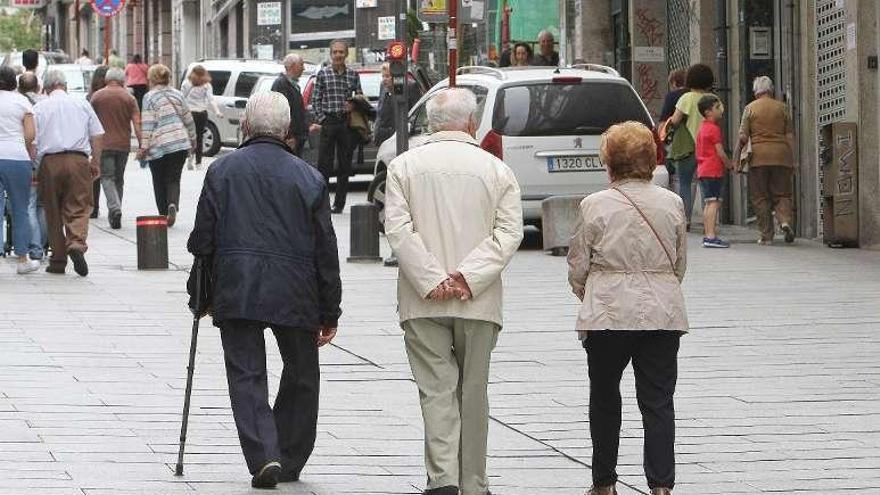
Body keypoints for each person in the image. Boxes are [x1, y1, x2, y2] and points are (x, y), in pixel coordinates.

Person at [187, 91, 341, 489]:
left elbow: (202, 238)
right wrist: (330, 310)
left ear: (247, 126)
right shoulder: (309, 177)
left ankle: (264, 455)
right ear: (288, 130)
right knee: (302, 372)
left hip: (238, 285)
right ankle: (287, 456)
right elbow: (325, 247)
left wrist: (200, 292)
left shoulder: (222, 171)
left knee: (246, 372)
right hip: (296, 289)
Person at [384, 88, 524, 495]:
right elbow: (509, 232)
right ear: (471, 123)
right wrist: (467, 276)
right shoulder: (496, 170)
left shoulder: (404, 167)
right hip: (478, 300)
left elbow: (398, 229)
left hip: (421, 300)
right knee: (474, 392)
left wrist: (432, 278)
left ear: (430, 124)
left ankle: (442, 478)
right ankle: (474, 483)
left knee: (436, 391)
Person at [567, 121, 688, 495]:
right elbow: (679, 264)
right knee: (658, 400)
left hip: (607, 312)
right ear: (650, 160)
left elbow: (578, 264)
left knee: (604, 396)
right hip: (662, 311)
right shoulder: (672, 203)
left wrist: (589, 290)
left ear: (610, 163)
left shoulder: (594, 205)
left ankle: (604, 483)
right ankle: (661, 485)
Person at [34, 69, 105, 276]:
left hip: (50, 161)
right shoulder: (82, 104)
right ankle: (76, 243)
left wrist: (37, 166)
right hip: (78, 159)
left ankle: (57, 260)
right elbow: (98, 135)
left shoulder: (40, 107)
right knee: (80, 205)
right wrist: (96, 162)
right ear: (64, 85)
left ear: (46, 88)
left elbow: (34, 140)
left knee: (52, 211)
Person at [735, 76, 796, 245]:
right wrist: (793, 158)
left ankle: (766, 236)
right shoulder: (783, 108)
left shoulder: (750, 108)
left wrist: (738, 156)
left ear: (756, 92)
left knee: (760, 197)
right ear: (771, 90)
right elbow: (789, 135)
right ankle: (784, 221)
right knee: (782, 193)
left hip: (758, 158)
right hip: (781, 155)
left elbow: (742, 136)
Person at [137, 64, 195, 227]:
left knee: (158, 179)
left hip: (159, 144)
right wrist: (193, 138)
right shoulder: (178, 94)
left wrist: (144, 147)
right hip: (179, 142)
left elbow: (148, 124)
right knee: (174, 178)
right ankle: (173, 204)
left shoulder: (149, 97)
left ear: (152, 78)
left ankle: (163, 213)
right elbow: (188, 119)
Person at [311, 39, 362, 214]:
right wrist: (322, 119)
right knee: (324, 165)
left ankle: (339, 204)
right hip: (329, 122)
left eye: (341, 52)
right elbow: (315, 99)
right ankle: (322, 202)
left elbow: (360, 97)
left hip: (346, 124)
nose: (338, 55)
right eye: (335, 52)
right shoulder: (323, 74)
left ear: (346, 54)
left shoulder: (353, 75)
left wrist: (354, 105)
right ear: (331, 54)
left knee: (344, 165)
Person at [668, 63, 718, 231]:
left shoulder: (686, 98)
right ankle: (708, 223)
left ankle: (686, 220)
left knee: (684, 183)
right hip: (709, 149)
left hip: (687, 148)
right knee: (706, 185)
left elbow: (674, 121)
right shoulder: (714, 100)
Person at [0, 66, 41, 274]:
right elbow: (31, 134)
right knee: (20, 209)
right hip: (16, 158)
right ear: (13, 82)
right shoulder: (22, 101)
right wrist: (19, 144)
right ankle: (23, 258)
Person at [90, 67, 141, 230]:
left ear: (106, 79)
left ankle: (115, 208)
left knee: (106, 177)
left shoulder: (97, 97)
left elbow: (89, 122)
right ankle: (115, 211)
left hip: (104, 144)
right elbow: (137, 122)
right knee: (119, 178)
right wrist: (143, 144)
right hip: (123, 145)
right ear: (122, 80)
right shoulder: (129, 98)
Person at [17, 72, 47, 261]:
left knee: (28, 204)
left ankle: (35, 248)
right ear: (37, 87)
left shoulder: (18, 103)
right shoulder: (45, 104)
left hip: (27, 158)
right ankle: (42, 245)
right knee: (42, 205)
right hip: (46, 160)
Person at [695, 95, 731, 248]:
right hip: (713, 170)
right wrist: (729, 164)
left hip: (703, 169)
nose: (720, 110)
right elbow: (720, 151)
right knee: (714, 203)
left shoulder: (702, 128)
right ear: (708, 111)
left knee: (709, 203)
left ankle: (707, 234)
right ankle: (711, 235)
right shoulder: (714, 129)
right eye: (717, 108)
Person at [181, 65, 223, 169]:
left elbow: (182, 98)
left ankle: (190, 157)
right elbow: (211, 100)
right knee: (200, 137)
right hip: (202, 113)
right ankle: (198, 163)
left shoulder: (186, 83)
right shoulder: (207, 85)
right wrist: (217, 111)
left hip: (190, 113)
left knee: (190, 136)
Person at [374, 61, 422, 148]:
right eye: (383, 76)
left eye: (387, 76)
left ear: (396, 76)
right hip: (384, 136)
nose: (384, 79)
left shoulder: (410, 86)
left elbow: (417, 111)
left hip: (403, 135)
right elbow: (380, 112)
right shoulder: (383, 87)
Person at [271, 54, 309, 156]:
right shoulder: (281, 84)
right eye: (301, 65)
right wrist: (289, 136)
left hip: (297, 137)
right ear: (292, 66)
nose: (303, 68)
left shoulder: (293, 84)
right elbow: (282, 112)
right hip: (289, 138)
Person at [88, 65, 109, 219]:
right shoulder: (115, 94)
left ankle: (93, 207)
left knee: (94, 175)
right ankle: (115, 205)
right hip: (113, 139)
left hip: (94, 139)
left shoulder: (91, 97)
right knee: (113, 177)